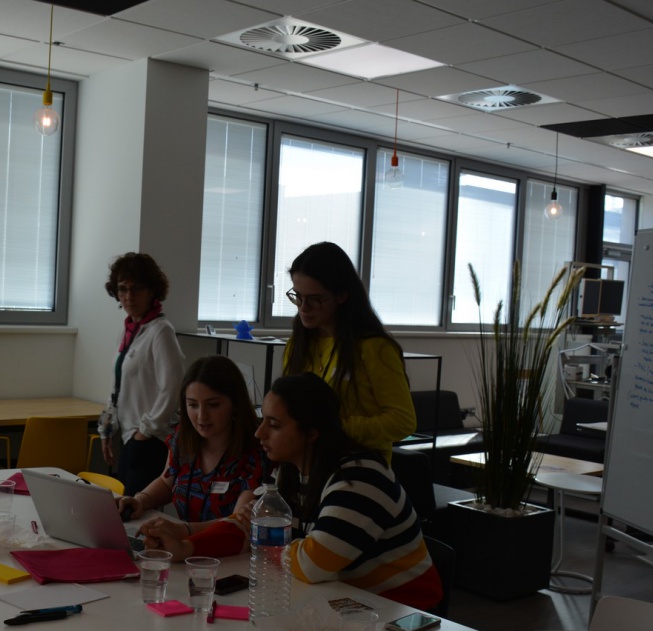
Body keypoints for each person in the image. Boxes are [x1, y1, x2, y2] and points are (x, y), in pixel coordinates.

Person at [144, 372, 442, 611]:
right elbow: (245, 524)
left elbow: (312, 563)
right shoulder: (290, 470)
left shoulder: (360, 478)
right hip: (342, 605)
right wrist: (187, 546)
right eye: (263, 420)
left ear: (311, 433)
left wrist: (261, 541)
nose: (259, 433)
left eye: (274, 425)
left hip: (401, 618)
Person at [283, 241, 415, 460]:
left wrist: (334, 428)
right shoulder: (297, 346)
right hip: (308, 466)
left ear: (342, 295)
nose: (303, 308)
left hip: (359, 467)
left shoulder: (374, 348)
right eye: (297, 296)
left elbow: (403, 421)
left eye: (315, 299)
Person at [122, 355, 265, 532]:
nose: (202, 416)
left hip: (226, 548)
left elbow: (237, 524)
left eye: (213, 405)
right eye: (193, 405)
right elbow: (167, 482)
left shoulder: (255, 451)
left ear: (235, 404)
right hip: (183, 544)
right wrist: (140, 500)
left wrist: (183, 530)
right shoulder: (182, 437)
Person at [100, 252, 184, 497]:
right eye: (123, 289)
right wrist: (106, 429)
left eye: (137, 289)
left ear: (152, 291)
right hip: (129, 437)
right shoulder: (129, 331)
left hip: (150, 440)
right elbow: (117, 387)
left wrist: (144, 432)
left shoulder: (161, 331)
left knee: (134, 510)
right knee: (123, 505)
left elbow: (172, 390)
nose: (129, 296)